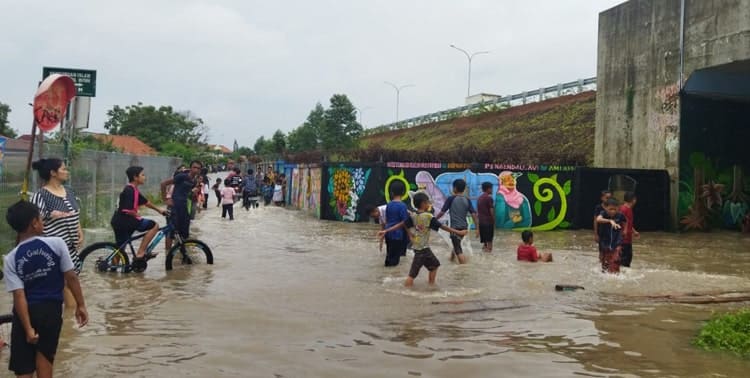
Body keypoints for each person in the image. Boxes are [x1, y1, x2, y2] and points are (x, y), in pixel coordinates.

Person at [4, 200, 88, 377]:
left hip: (23, 314)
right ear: (34, 223)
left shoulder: (11, 257)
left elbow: (19, 296)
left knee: (23, 368)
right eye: (41, 219)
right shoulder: (56, 244)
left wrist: (27, 328)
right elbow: (71, 277)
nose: (43, 222)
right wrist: (81, 305)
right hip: (50, 312)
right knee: (45, 361)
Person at [379, 193, 468, 287]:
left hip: (421, 248)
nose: (429, 204)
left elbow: (402, 224)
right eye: (427, 202)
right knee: (412, 275)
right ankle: (406, 292)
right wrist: (459, 232)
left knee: (434, 265)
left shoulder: (413, 215)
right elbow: (443, 227)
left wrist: (386, 230)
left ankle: (431, 285)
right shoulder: (428, 217)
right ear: (423, 203)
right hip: (422, 249)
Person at [29, 158, 83, 275]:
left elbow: (74, 212)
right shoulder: (40, 196)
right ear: (53, 173)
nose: (67, 171)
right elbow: (34, 224)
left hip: (71, 250)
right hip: (52, 251)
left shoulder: (69, 191)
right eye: (63, 169)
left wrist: (79, 230)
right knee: (62, 286)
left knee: (72, 282)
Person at [110, 166, 167, 262]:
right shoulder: (130, 190)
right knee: (154, 225)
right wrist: (136, 215)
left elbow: (146, 202)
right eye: (143, 175)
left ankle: (112, 269)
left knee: (120, 248)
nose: (145, 177)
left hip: (118, 221)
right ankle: (140, 253)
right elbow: (127, 209)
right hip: (125, 220)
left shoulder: (132, 189)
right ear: (135, 177)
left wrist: (159, 210)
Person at [435, 179, 479, 264]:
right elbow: (474, 214)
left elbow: (442, 212)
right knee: (456, 244)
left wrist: (434, 219)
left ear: (454, 188)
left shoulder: (451, 199)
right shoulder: (467, 200)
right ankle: (451, 259)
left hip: (455, 228)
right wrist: (477, 228)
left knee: (458, 248)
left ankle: (463, 269)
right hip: (464, 228)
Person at [161, 160, 203, 243]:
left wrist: (194, 193)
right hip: (174, 207)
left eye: (198, 168)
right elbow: (163, 184)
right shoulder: (182, 176)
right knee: (171, 232)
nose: (196, 170)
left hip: (184, 208)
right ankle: (168, 253)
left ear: (200, 170)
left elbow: (188, 195)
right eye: (194, 167)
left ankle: (181, 253)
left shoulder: (194, 181)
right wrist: (165, 200)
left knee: (184, 232)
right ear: (190, 168)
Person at [382, 181, 409, 267]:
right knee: (395, 260)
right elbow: (404, 222)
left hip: (388, 234)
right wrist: (410, 234)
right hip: (397, 235)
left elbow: (386, 220)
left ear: (392, 192)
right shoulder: (403, 206)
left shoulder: (389, 205)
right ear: (403, 192)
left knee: (389, 256)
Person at [596, 198, 627, 273]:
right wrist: (610, 221)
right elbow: (598, 219)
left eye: (615, 209)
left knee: (616, 260)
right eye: (610, 209)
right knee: (605, 263)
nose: (612, 211)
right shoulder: (603, 213)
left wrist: (625, 230)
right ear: (605, 208)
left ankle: (616, 275)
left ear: (618, 208)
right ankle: (605, 274)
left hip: (617, 242)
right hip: (605, 242)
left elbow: (625, 221)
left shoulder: (620, 215)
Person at [619, 191, 640, 268]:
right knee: (626, 259)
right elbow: (620, 222)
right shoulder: (625, 209)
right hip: (624, 239)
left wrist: (634, 231)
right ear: (633, 200)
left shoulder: (625, 208)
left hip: (626, 238)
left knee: (626, 258)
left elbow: (628, 223)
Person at [477, 182, 495, 253]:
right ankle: (490, 259)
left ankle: (484, 259)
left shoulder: (479, 198)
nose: (492, 190)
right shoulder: (489, 198)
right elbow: (491, 211)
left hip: (481, 223)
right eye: (491, 189)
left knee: (485, 243)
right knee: (489, 242)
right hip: (488, 222)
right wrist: (494, 221)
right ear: (488, 189)